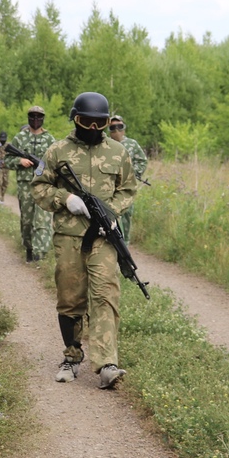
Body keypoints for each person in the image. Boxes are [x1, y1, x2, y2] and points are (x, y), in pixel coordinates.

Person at [32, 91, 138, 389]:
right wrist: (65, 198)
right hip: (69, 237)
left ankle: (107, 363)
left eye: (99, 123)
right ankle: (72, 356)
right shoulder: (57, 151)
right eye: (86, 122)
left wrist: (112, 213)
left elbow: (127, 189)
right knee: (70, 298)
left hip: (103, 238)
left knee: (106, 295)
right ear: (75, 120)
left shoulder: (118, 152)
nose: (92, 129)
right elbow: (38, 188)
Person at [9, 105, 56, 262]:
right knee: (27, 220)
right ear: (28, 117)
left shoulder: (50, 139)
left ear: (43, 118)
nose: (36, 120)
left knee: (42, 220)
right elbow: (6, 160)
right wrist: (19, 161)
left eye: (39, 117)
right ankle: (29, 248)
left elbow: (56, 163)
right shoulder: (20, 138)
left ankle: (40, 254)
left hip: (44, 185)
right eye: (32, 116)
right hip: (25, 185)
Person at [108, 115, 148, 243]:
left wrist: (132, 174)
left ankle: (125, 247)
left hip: (126, 188)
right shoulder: (105, 144)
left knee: (126, 217)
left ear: (124, 128)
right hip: (109, 188)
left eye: (120, 126)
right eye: (113, 127)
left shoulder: (132, 144)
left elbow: (142, 161)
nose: (116, 130)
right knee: (111, 216)